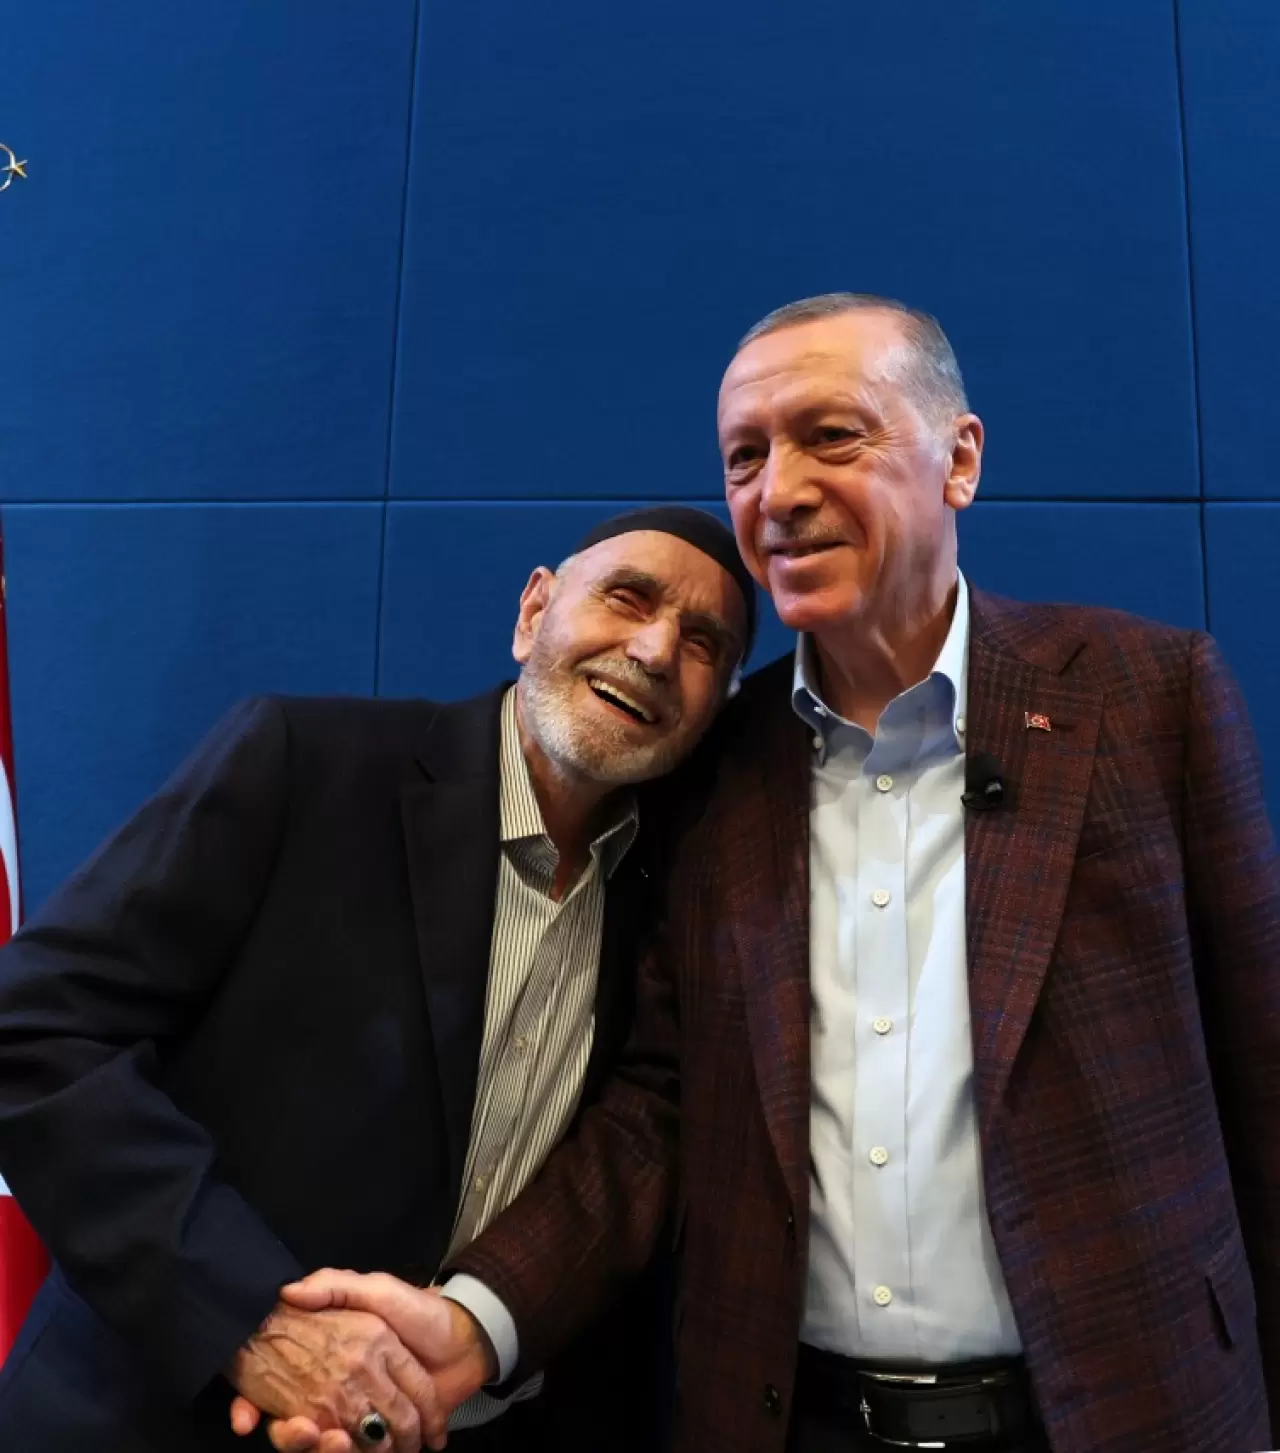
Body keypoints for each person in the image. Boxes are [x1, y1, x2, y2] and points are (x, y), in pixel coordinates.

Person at [269, 295, 1280, 1453]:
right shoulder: (708, 764)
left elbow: (1259, 1070)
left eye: (829, 436)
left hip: (1130, 1410)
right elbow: (658, 1111)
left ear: (958, 460)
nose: (778, 491)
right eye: (743, 457)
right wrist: (475, 1323)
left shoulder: (1146, 696)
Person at [0, 506, 754, 1453]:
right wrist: (249, 1319)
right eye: (628, 598)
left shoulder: (679, 899)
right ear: (533, 612)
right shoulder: (304, 763)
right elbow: (33, 1029)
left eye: (702, 642)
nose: (654, 649)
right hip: (153, 1419)